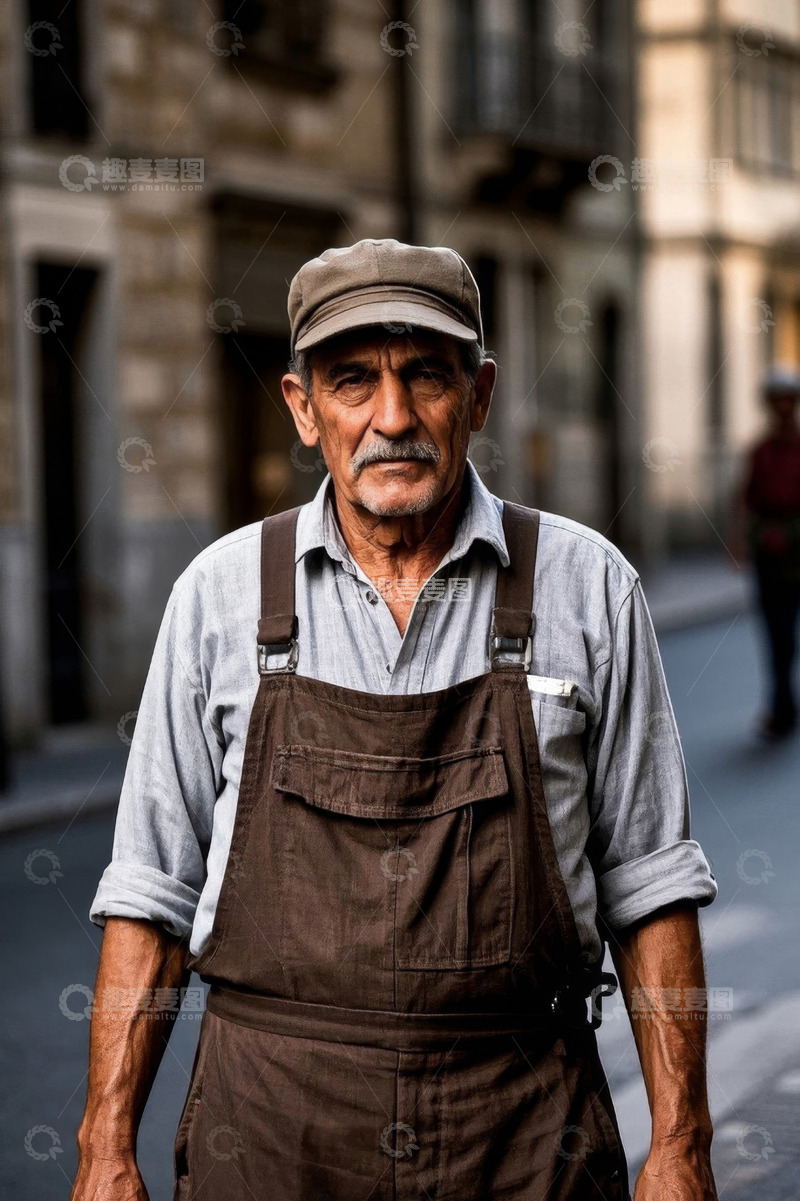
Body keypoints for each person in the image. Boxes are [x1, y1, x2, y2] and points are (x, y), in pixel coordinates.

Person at [72, 238, 719, 1201]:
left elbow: (649, 886)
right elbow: (150, 893)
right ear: (301, 408)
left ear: (481, 394)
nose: (394, 418)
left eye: (427, 376)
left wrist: (682, 1143)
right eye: (352, 382)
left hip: (524, 1136)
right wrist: (104, 1146)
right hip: (272, 1136)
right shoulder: (218, 598)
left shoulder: (591, 590)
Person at [732, 366, 800, 740]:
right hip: (771, 554)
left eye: (788, 399)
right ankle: (781, 707)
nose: (783, 407)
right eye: (777, 400)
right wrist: (738, 541)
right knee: (777, 634)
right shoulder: (760, 451)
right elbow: (744, 499)